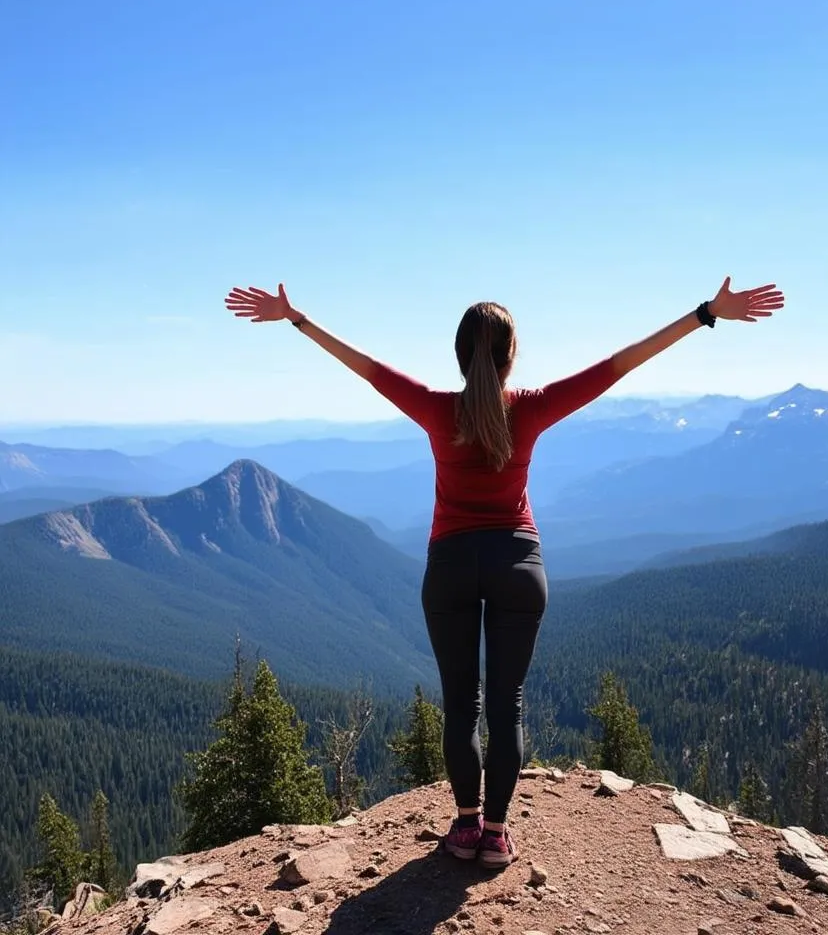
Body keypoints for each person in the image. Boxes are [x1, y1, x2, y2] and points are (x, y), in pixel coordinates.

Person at [224, 277, 784, 868]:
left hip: (451, 568)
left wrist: (297, 318)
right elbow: (618, 365)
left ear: (461, 355)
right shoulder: (534, 408)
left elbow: (367, 367)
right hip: (519, 567)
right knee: (506, 705)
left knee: (460, 706)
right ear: (510, 356)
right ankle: (495, 834)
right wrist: (703, 314)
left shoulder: (439, 409)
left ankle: (465, 828)